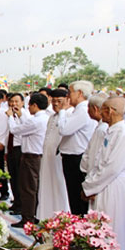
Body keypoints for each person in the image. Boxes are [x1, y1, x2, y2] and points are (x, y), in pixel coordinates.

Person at [82, 97, 125, 250]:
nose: (100, 112)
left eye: (103, 109)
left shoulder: (124, 135)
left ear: (110, 111)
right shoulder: (109, 131)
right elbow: (98, 160)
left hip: (113, 186)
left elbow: (111, 168)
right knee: (99, 224)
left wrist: (90, 187)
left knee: (112, 225)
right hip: (102, 185)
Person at [7, 93, 49, 227]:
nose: (28, 107)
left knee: (27, 189)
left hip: (31, 157)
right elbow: (25, 125)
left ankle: (28, 218)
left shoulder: (35, 120)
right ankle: (33, 214)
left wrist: (10, 117)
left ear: (34, 105)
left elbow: (15, 129)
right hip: (36, 156)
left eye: (29, 105)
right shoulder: (42, 118)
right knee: (32, 187)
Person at [58, 81, 97, 215]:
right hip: (72, 157)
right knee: (73, 195)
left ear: (79, 93)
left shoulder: (83, 110)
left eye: (70, 92)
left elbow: (64, 129)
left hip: (77, 158)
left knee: (77, 197)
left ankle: (79, 224)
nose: (68, 96)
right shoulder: (78, 110)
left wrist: (62, 111)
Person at [36, 89, 72, 221]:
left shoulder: (69, 115)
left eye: (59, 101)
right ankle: (46, 216)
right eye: (54, 101)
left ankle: (62, 217)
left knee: (60, 187)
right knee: (46, 185)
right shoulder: (51, 116)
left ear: (67, 101)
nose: (56, 104)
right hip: (47, 157)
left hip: (59, 159)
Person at [6, 93, 29, 214]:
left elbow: (16, 129)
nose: (14, 104)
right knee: (13, 177)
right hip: (11, 148)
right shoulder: (10, 114)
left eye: (16, 102)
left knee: (20, 178)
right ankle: (16, 202)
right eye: (12, 102)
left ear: (22, 103)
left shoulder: (25, 115)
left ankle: (21, 205)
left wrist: (13, 116)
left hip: (20, 148)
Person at [80, 93, 109, 175]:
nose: (87, 110)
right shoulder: (101, 127)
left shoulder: (102, 130)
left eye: (89, 107)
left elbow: (94, 156)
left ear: (95, 109)